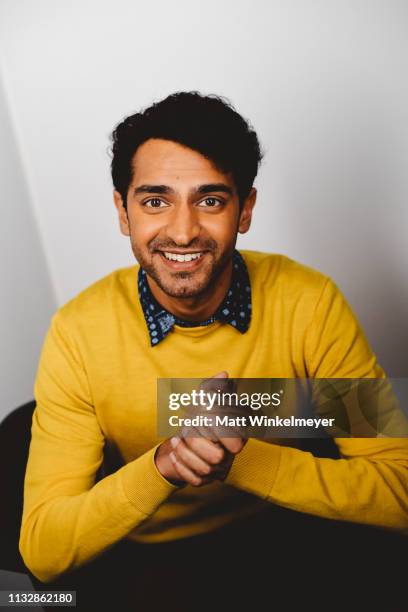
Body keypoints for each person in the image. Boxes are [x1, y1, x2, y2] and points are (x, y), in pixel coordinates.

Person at [20, 92, 407, 611]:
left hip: (284, 533)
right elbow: (43, 549)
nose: (182, 231)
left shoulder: (308, 302)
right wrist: (166, 464)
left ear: (244, 208)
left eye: (210, 200)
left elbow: (398, 488)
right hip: (149, 558)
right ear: (123, 210)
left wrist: (239, 457)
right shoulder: (78, 333)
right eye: (155, 200)